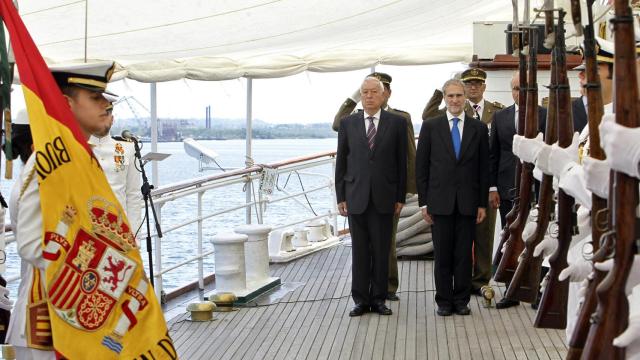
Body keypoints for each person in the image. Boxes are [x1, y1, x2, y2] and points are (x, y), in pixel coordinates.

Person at [10, 62, 116, 359]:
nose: (107, 105)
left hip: (82, 309)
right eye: (95, 98)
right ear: (67, 104)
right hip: (52, 313)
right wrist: (98, 266)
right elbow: (32, 245)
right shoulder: (48, 163)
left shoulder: (78, 158)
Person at [333, 71, 415, 301]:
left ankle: (381, 296)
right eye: (364, 93)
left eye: (374, 92)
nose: (369, 97)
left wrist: (402, 195)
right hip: (356, 194)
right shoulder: (349, 123)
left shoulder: (398, 122)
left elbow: (404, 161)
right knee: (359, 251)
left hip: (385, 195)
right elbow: (342, 161)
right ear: (360, 96)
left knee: (382, 250)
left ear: (384, 95)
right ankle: (360, 299)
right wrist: (341, 196)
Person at [416, 78, 489, 316]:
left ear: (465, 96)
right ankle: (444, 301)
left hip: (468, 202)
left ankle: (461, 300)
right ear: (445, 98)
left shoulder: (478, 129)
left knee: (463, 256)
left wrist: (481, 203)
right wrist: (424, 202)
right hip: (439, 202)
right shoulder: (431, 126)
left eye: (459, 95)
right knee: (443, 255)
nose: (455, 100)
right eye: (451, 96)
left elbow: (482, 168)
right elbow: (422, 167)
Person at [89, 110, 142, 240]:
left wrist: (135, 238)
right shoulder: (77, 147)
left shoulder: (127, 149)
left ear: (112, 119)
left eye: (105, 115)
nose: (101, 120)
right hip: (87, 228)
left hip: (118, 230)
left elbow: (133, 195)